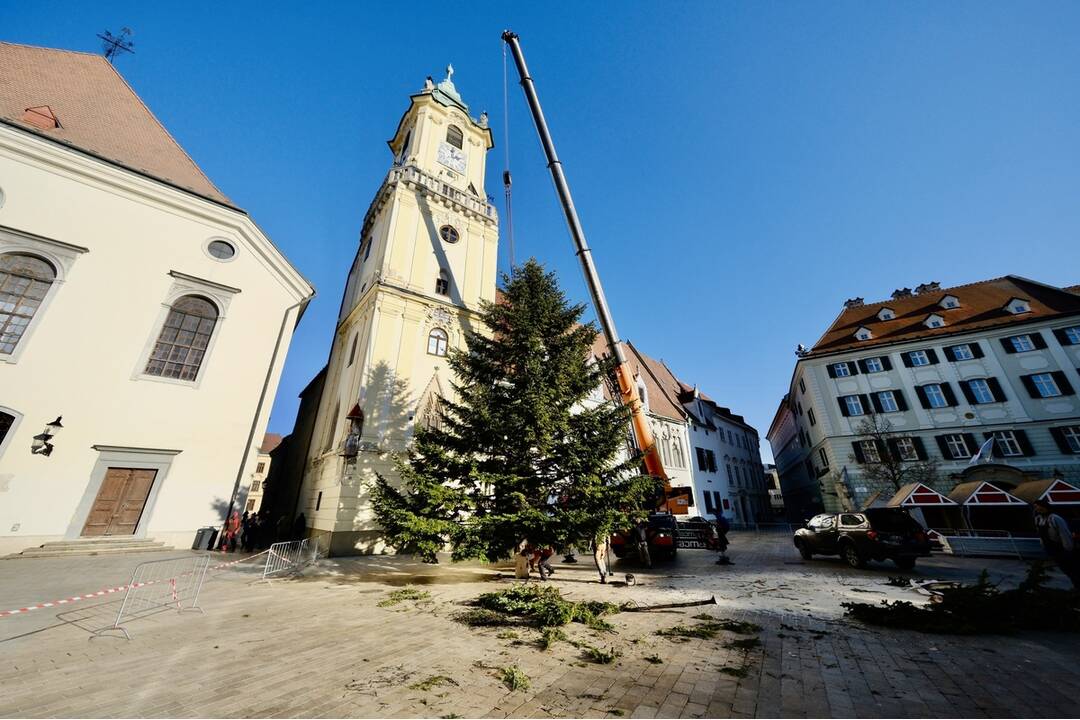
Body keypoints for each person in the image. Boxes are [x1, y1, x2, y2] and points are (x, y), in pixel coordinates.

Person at [1034, 499, 1078, 588]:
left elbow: (1064, 534)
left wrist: (1068, 549)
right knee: (1065, 569)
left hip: (1061, 548)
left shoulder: (1055, 518)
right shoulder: (1038, 519)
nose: (1036, 508)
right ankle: (1076, 585)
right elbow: (1040, 534)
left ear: (1043, 506)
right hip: (1051, 549)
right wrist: (1043, 545)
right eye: (1035, 507)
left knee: (1073, 569)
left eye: (1037, 506)